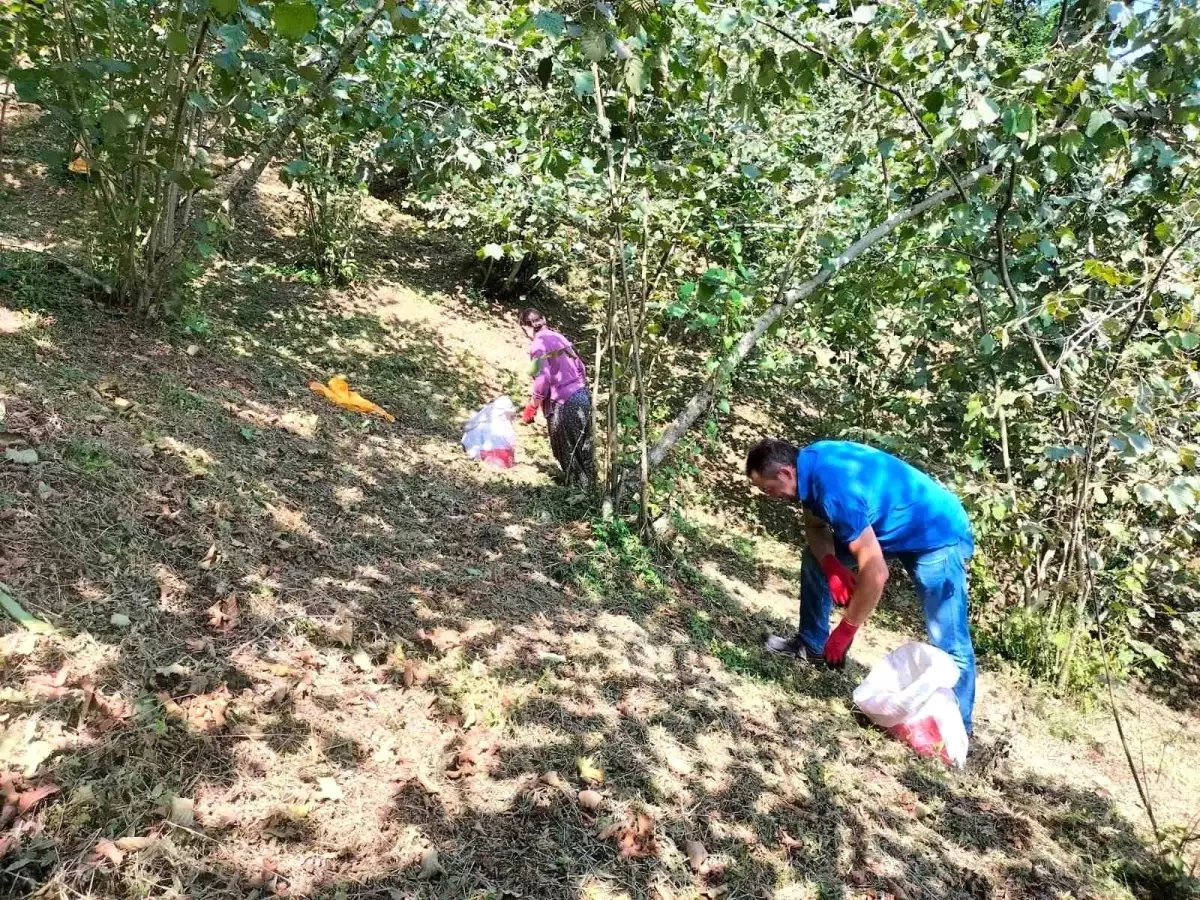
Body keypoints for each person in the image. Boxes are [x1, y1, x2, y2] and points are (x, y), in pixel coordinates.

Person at [745, 437, 977, 734]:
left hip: (937, 535)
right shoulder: (808, 468)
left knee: (949, 638)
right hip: (891, 527)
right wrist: (831, 566)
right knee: (814, 558)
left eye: (768, 488)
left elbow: (876, 573)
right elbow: (815, 527)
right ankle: (812, 645)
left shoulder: (834, 490)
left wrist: (846, 629)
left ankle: (956, 730)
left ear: (785, 474)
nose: (769, 495)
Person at [519, 308, 594, 486]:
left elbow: (542, 379)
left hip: (564, 402)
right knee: (584, 448)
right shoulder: (558, 337)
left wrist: (532, 406)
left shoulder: (538, 345)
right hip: (582, 395)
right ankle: (590, 490)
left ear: (525, 328)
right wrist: (581, 387)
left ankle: (577, 493)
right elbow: (579, 364)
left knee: (567, 450)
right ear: (544, 320)